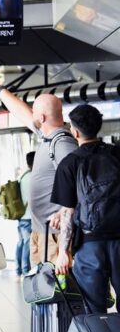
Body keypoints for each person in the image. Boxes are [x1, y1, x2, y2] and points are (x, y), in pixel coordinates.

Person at [0, 72, 78, 269]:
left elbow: (75, 181)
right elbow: (22, 112)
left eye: (34, 112)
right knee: (42, 290)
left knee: (54, 292)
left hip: (55, 235)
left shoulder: (62, 144)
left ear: (41, 117)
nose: (30, 114)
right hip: (43, 231)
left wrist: (62, 215)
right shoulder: (48, 136)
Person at [53, 105, 120, 314]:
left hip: (89, 246)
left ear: (74, 132)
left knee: (94, 311)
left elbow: (68, 212)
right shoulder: (117, 154)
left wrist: (63, 252)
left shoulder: (69, 163)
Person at [16, 152, 34, 277]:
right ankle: (25, 270)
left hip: (21, 216)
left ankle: (18, 269)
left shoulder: (22, 176)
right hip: (29, 217)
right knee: (27, 243)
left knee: (21, 242)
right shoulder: (34, 177)